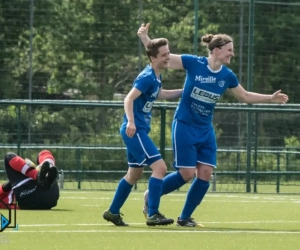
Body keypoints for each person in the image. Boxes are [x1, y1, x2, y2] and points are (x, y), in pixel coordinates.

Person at [138, 23, 289, 227]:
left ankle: (185, 217)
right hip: (184, 125)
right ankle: (152, 194)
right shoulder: (194, 63)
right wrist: (145, 38)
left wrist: (270, 98)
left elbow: (244, 96)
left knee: (206, 174)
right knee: (187, 173)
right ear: (217, 50)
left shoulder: (227, 75)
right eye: (229, 50)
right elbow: (163, 58)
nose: (232, 54)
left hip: (205, 130)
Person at [103, 38, 182, 226]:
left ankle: (113, 212)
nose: (168, 57)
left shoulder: (156, 76)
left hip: (137, 130)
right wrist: (131, 121)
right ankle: (153, 213)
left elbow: (161, 94)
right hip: (135, 130)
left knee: (134, 174)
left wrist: (184, 91)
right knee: (160, 168)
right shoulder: (147, 77)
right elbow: (128, 99)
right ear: (153, 58)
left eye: (168, 53)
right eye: (164, 55)